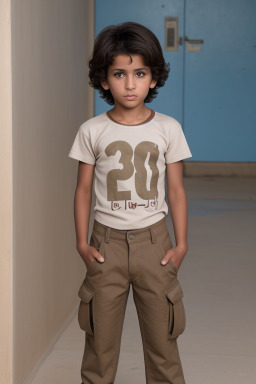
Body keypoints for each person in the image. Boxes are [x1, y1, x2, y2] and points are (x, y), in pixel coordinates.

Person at [69, 21, 192, 384]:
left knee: (163, 342)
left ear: (153, 78)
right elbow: (82, 191)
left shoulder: (168, 128)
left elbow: (177, 191)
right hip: (105, 245)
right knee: (99, 345)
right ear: (104, 80)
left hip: (156, 244)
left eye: (139, 73)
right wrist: (81, 243)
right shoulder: (92, 130)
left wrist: (181, 243)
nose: (130, 83)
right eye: (119, 74)